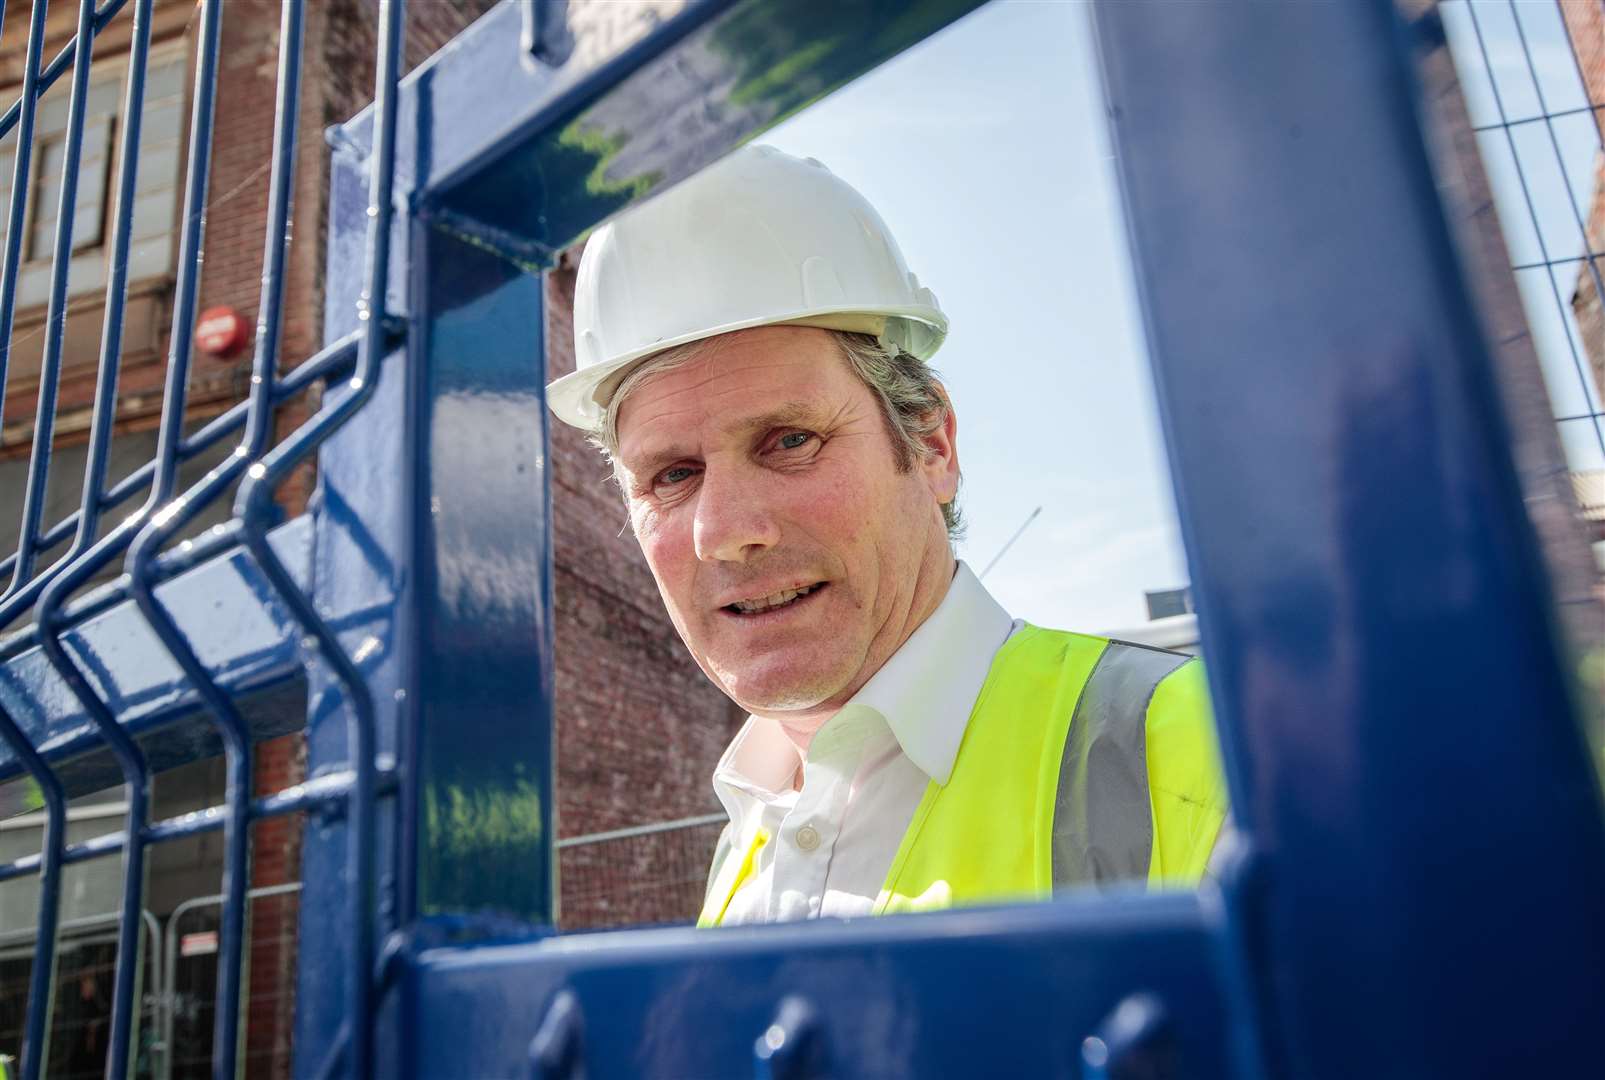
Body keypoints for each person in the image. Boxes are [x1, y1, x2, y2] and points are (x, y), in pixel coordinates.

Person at [546, 145, 1228, 927]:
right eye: (670, 475)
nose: (726, 533)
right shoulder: (751, 833)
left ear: (932, 445)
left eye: (789, 440)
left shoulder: (1204, 757)